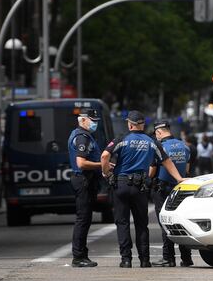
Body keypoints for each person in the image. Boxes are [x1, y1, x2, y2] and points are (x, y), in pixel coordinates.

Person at [102, 111, 187, 268]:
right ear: (142, 125)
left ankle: (126, 259)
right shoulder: (151, 141)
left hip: (121, 185)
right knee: (141, 224)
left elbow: (104, 156)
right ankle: (144, 260)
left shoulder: (121, 139)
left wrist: (106, 172)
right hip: (140, 186)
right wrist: (179, 178)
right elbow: (166, 160)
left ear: (129, 124)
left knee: (123, 223)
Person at [150, 120, 195, 268]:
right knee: (181, 221)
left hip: (162, 189)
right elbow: (187, 169)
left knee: (165, 222)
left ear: (159, 132)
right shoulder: (184, 146)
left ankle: (168, 258)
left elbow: (152, 172)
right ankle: (187, 257)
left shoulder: (160, 147)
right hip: (180, 189)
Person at [67, 110, 103, 268]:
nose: (94, 123)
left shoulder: (81, 134)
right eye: (91, 120)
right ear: (82, 120)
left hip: (84, 180)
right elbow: (81, 163)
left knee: (85, 219)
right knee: (83, 219)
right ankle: (78, 256)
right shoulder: (82, 137)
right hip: (83, 180)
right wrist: (103, 165)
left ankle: (81, 254)